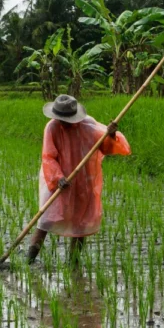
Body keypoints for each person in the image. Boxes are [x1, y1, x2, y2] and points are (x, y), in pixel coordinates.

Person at [27, 94, 131, 265]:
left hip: (84, 179)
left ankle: (73, 262)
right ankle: (29, 260)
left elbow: (104, 147)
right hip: (57, 179)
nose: (64, 123)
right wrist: (58, 177)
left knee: (81, 222)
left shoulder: (88, 125)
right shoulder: (52, 127)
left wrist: (110, 135)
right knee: (45, 220)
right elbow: (48, 157)